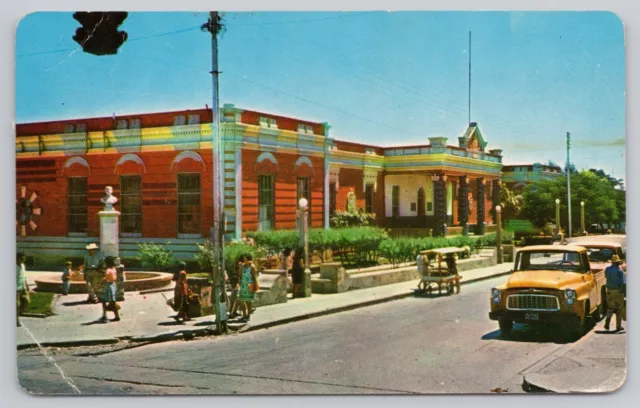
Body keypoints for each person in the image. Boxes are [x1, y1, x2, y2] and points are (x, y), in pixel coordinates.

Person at [604, 255, 625, 332]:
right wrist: (623, 293)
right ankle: (618, 326)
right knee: (619, 308)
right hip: (618, 291)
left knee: (610, 307)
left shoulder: (607, 269)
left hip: (609, 290)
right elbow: (623, 283)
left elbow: (606, 277)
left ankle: (608, 320)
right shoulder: (620, 271)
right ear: (617, 262)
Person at [237, 254, 258, 321]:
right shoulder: (242, 266)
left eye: (245, 259)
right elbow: (240, 275)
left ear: (249, 260)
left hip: (249, 286)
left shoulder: (252, 267)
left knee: (248, 301)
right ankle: (244, 315)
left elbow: (254, 277)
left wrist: (255, 286)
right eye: (243, 259)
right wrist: (240, 268)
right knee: (241, 300)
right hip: (243, 286)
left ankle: (248, 315)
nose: (244, 260)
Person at [99, 258, 121, 322]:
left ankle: (104, 315)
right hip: (113, 285)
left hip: (108, 285)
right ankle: (117, 316)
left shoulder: (108, 270)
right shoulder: (114, 269)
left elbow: (105, 278)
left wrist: (99, 284)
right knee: (112, 301)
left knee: (104, 300)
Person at [16, 252, 31, 327]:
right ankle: (16, 321)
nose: (23, 260)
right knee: (16, 305)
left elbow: (24, 277)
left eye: (24, 259)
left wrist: (27, 287)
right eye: (22, 259)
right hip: (16, 289)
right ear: (17, 259)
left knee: (27, 301)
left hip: (23, 288)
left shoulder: (22, 265)